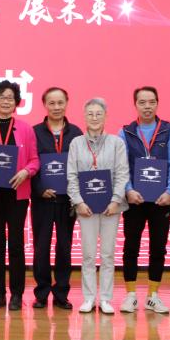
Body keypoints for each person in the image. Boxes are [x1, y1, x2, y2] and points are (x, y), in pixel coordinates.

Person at [119, 86, 170, 314]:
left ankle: (153, 296)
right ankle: (130, 295)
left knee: (158, 248)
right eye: (142, 102)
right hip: (134, 200)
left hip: (161, 200)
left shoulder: (169, 130)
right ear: (135, 104)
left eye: (151, 102)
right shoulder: (125, 132)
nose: (147, 106)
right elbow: (122, 166)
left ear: (157, 103)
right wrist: (128, 190)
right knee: (131, 247)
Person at [0, 80, 40, 311]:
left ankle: (16, 294)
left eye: (10, 98)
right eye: (1, 97)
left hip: (17, 194)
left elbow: (35, 160)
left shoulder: (26, 129)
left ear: (16, 102)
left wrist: (26, 172)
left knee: (16, 244)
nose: (6, 101)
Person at [66, 97, 129, 314]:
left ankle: (106, 299)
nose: (94, 118)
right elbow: (71, 176)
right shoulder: (76, 143)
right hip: (86, 209)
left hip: (111, 207)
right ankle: (89, 298)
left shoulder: (116, 143)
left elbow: (122, 174)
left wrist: (116, 200)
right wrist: (78, 202)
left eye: (98, 114)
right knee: (88, 255)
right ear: (84, 117)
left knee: (108, 254)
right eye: (90, 114)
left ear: (105, 117)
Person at [31, 87, 83, 310]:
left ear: (67, 103)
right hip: (42, 200)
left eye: (60, 102)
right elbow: (30, 162)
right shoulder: (34, 132)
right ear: (45, 105)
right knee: (41, 248)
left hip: (67, 201)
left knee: (64, 247)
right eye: (51, 103)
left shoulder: (76, 132)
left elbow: (81, 164)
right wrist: (39, 188)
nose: (56, 107)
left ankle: (61, 293)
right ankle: (42, 293)